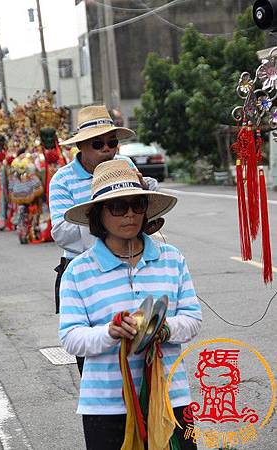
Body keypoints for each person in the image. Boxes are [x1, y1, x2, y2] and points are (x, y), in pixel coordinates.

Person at [59, 159, 202, 450]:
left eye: (137, 205)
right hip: (106, 405)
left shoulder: (171, 258)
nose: (130, 215)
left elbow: (192, 319)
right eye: (117, 207)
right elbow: (71, 338)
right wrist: (110, 332)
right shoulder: (79, 271)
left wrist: (160, 329)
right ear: (99, 214)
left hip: (171, 398)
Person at [49, 105, 160, 373]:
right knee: (94, 358)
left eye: (112, 142)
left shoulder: (126, 165)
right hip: (84, 271)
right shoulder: (62, 179)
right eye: (98, 144)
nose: (107, 149)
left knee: (143, 349)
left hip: (132, 264)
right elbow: (62, 233)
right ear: (82, 146)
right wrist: (103, 212)